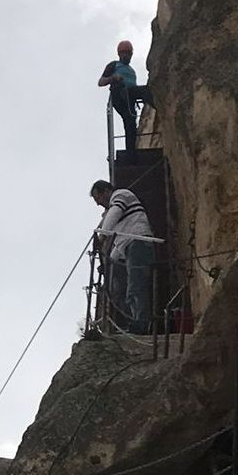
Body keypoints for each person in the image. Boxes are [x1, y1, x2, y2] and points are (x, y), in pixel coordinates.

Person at [90, 180, 155, 334]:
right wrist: (109, 262)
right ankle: (136, 321)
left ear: (106, 190)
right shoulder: (115, 209)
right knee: (125, 288)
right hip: (130, 245)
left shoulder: (121, 195)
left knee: (135, 285)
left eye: (98, 198)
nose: (98, 203)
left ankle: (142, 324)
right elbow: (119, 241)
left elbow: (114, 214)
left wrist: (101, 237)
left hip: (138, 241)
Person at [98, 40, 153, 160]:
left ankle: (131, 155)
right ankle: (157, 104)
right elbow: (101, 82)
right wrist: (113, 78)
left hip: (130, 98)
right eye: (123, 53)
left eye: (127, 53)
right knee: (142, 91)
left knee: (130, 123)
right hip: (120, 95)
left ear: (131, 54)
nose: (125, 55)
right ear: (119, 54)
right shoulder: (114, 65)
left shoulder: (132, 71)